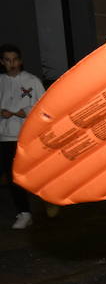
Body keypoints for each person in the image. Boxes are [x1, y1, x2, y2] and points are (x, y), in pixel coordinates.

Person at [1, 43, 45, 229]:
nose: (12, 64)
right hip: (5, 136)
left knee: (34, 173)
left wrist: (24, 111)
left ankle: (49, 200)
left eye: (15, 59)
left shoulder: (32, 81)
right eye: (8, 60)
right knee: (13, 177)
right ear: (2, 62)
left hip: (27, 135)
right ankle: (24, 213)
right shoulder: (1, 81)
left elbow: (44, 106)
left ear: (20, 61)